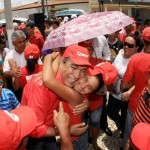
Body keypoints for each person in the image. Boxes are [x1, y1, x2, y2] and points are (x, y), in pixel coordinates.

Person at [21, 45, 91, 150]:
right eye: (74, 67)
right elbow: (35, 129)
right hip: (33, 137)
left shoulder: (69, 81)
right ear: (62, 63)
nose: (77, 75)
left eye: (83, 70)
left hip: (50, 130)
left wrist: (87, 102)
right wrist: (66, 130)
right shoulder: (40, 87)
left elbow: (84, 93)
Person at [42, 52, 118, 150]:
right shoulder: (73, 85)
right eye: (85, 78)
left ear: (92, 92)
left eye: (89, 88)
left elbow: (48, 80)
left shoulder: (76, 96)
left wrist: (48, 57)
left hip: (75, 140)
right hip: (73, 136)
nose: (82, 85)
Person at [121, 27, 150, 149]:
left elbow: (123, 85)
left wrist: (134, 81)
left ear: (142, 41)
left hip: (135, 105)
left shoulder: (135, 59)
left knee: (129, 135)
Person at [107, 34, 139, 138]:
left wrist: (129, 92)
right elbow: (113, 68)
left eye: (130, 45)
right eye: (125, 44)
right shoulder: (120, 53)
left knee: (126, 117)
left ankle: (125, 135)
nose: (126, 47)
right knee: (110, 112)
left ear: (137, 48)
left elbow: (140, 81)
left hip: (127, 95)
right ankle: (122, 126)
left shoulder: (137, 60)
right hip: (114, 91)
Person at [3, 30, 27, 101]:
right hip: (17, 88)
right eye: (19, 42)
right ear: (14, 43)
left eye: (24, 41)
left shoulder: (29, 51)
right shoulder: (9, 56)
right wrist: (12, 73)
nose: (23, 44)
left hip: (29, 85)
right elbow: (5, 73)